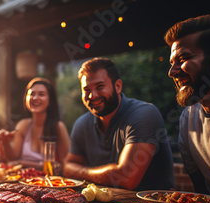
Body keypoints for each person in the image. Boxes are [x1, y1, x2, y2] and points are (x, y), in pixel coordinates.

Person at [63, 58, 175, 190]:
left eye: (100, 87)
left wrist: (81, 172)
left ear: (118, 86)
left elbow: (126, 179)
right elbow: (67, 167)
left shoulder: (144, 114)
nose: (92, 95)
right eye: (86, 90)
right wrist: (109, 172)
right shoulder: (82, 123)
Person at [166, 13, 210, 197]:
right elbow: (203, 195)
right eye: (172, 63)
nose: (171, 72)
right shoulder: (189, 118)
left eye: (182, 59)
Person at [0, 77, 70, 170]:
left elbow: (66, 165)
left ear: (50, 100)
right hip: (23, 182)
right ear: (26, 99)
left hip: (50, 182)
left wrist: (21, 163)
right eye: (31, 94)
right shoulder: (23, 125)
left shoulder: (58, 127)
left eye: (41, 94)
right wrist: (4, 141)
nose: (35, 98)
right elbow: (13, 158)